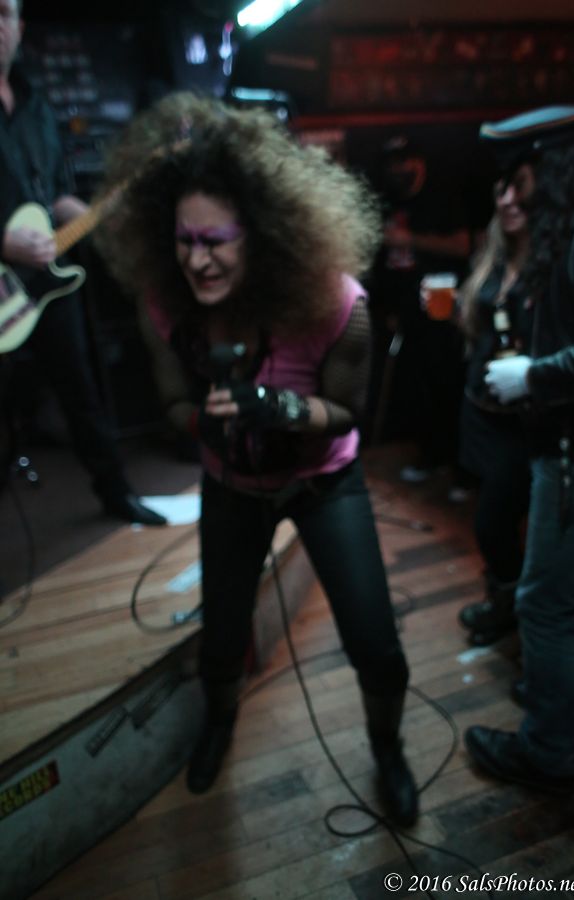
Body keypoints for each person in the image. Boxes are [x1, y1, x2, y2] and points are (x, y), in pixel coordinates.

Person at [95, 93, 419, 826]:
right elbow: (171, 403)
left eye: (214, 240)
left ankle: (389, 751)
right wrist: (203, 425)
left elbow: (349, 413)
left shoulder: (336, 304)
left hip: (324, 481)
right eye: (183, 241)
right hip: (232, 485)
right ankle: (219, 723)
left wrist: (281, 410)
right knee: (221, 639)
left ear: (265, 234)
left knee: (377, 646)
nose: (196, 259)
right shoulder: (164, 302)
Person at [465, 105, 574, 792]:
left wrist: (533, 377)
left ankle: (546, 752)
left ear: (559, 166)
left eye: (522, 178)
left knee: (544, 602)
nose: (512, 196)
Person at [0, 0, 166, 526]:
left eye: (3, 13)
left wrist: (105, 216)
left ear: (20, 27)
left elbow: (54, 195)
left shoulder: (36, 105)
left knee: (82, 389)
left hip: (47, 283)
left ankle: (117, 494)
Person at [453, 176, 532, 646]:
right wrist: (457, 311)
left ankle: (517, 610)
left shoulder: (550, 261)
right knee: (493, 514)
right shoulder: (493, 255)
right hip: (480, 408)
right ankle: (505, 604)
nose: (506, 201)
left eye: (516, 190)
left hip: (520, 419)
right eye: (499, 191)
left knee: (494, 522)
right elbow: (476, 321)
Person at [369, 135, 470, 484]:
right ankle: (430, 456)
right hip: (405, 312)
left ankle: (460, 467)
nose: (399, 169)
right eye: (393, 163)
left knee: (449, 385)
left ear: (420, 162)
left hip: (444, 313)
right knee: (417, 389)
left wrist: (409, 239)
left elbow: (462, 245)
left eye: (405, 161)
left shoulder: (440, 200)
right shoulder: (387, 202)